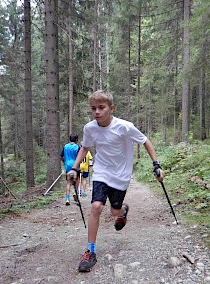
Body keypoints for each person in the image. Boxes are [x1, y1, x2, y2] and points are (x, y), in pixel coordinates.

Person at [67, 90, 164, 272]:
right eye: (93, 108)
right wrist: (74, 167)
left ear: (111, 108)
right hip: (102, 172)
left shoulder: (124, 127)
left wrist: (156, 164)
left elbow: (145, 141)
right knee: (96, 206)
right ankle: (90, 251)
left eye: (101, 108)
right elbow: (85, 147)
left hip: (121, 175)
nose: (97, 112)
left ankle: (123, 210)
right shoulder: (89, 128)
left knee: (114, 211)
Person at [60, 133, 80, 206]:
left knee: (68, 182)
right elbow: (79, 157)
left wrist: (64, 162)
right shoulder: (77, 147)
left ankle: (67, 199)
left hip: (68, 166)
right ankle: (76, 194)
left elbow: (61, 156)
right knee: (77, 180)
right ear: (76, 139)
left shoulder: (65, 146)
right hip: (76, 166)